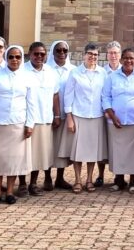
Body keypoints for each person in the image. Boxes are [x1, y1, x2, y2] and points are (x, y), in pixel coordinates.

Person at [0, 45, 34, 204]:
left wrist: (30, 124)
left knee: (13, 160)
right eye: (11, 57)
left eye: (18, 57)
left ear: (21, 59)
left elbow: (31, 103)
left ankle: (10, 191)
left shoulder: (27, 77)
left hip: (18, 123)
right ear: (6, 58)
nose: (14, 60)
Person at [64, 43, 108, 193]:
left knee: (91, 151)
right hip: (79, 115)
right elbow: (68, 95)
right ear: (84, 55)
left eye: (95, 55)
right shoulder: (75, 73)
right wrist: (69, 117)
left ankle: (89, 179)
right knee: (78, 150)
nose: (93, 57)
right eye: (90, 54)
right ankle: (77, 180)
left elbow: (105, 95)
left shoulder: (103, 73)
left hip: (96, 115)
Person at [103, 47, 134, 193]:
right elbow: (106, 97)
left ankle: (133, 182)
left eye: (132, 58)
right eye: (126, 58)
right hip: (117, 121)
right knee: (118, 151)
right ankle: (119, 180)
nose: (129, 60)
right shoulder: (112, 77)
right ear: (121, 60)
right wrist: (111, 115)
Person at [24, 41, 60, 196]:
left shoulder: (51, 72)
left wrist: (57, 114)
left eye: (42, 54)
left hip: (45, 118)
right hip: (26, 119)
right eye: (36, 53)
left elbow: (55, 95)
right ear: (30, 54)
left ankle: (32, 184)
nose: (39, 56)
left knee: (39, 155)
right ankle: (21, 184)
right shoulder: (22, 70)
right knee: (24, 154)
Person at [46, 40, 76, 190]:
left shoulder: (73, 70)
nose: (62, 53)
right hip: (49, 115)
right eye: (58, 50)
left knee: (62, 148)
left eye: (65, 50)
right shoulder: (46, 69)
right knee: (48, 147)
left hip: (67, 115)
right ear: (53, 52)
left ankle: (60, 177)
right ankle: (46, 178)